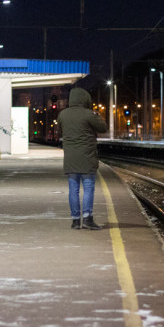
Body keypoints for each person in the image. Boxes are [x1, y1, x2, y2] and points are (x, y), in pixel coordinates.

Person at [58, 87, 108, 230]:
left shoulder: (63, 114)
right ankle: (87, 219)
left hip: (70, 158)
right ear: (86, 99)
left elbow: (60, 130)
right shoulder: (89, 114)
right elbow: (103, 128)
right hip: (87, 157)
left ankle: (75, 221)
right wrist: (97, 115)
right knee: (88, 188)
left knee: (73, 190)